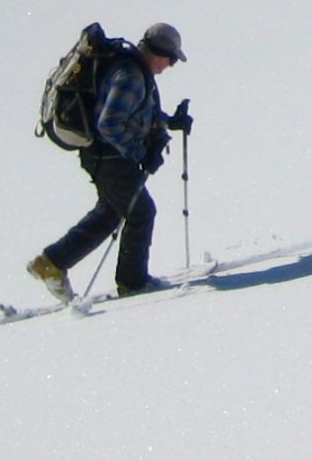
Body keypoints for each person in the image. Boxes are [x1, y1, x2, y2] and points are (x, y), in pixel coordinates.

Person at [28, 22, 194, 301]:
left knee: (110, 213)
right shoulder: (129, 74)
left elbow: (134, 111)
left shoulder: (132, 69)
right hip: (108, 157)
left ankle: (51, 264)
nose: (170, 66)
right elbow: (109, 124)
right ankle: (133, 283)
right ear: (158, 53)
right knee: (141, 212)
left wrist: (168, 122)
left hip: (102, 155)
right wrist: (142, 153)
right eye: (171, 59)